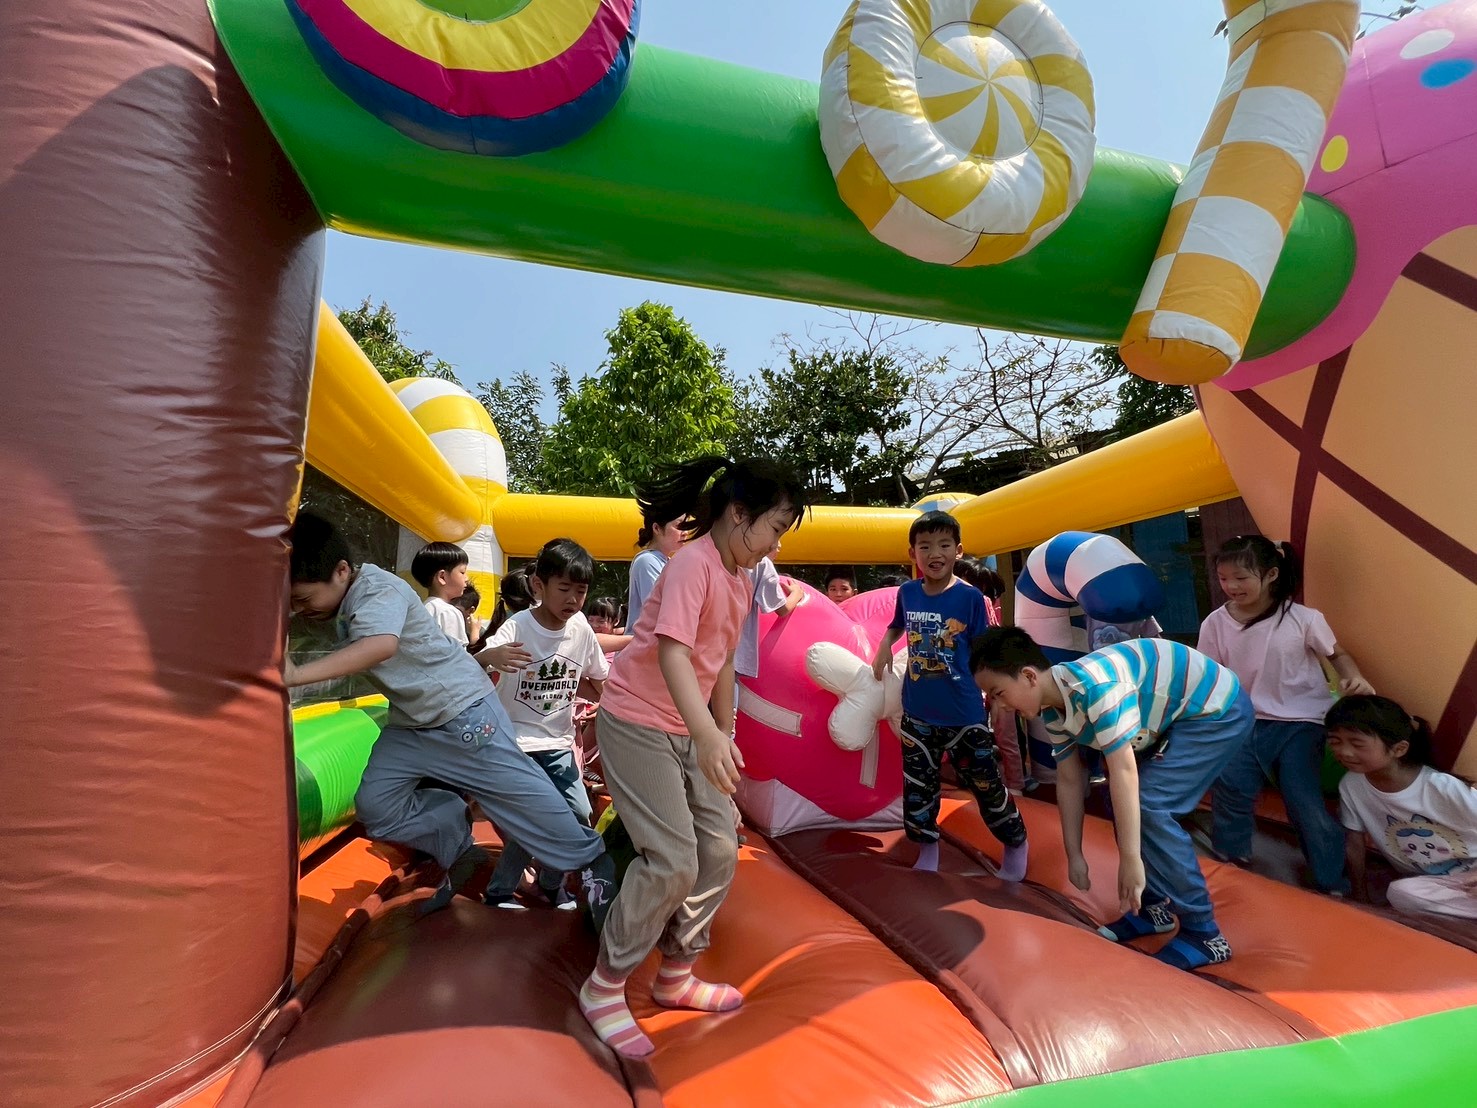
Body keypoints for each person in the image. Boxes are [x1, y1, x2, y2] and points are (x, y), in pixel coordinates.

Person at [579, 456, 807, 1058]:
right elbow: (674, 654)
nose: (776, 546)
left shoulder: (740, 577)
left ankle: (676, 972)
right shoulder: (691, 566)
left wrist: (723, 732)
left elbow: (723, 659)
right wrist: (706, 734)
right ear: (739, 514)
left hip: (691, 725)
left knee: (721, 847)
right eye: (775, 529)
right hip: (636, 720)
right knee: (673, 859)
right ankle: (604, 985)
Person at [285, 513, 616, 919]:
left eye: (304, 600)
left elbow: (380, 645)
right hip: (413, 724)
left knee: (522, 797)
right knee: (376, 805)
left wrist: (295, 676)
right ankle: (457, 841)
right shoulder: (341, 603)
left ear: (341, 571)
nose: (300, 610)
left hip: (463, 713)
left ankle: (592, 861)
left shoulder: (377, 588)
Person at [971, 626, 1253, 971]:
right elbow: (1070, 780)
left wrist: (1131, 861)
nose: (999, 706)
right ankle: (1152, 908)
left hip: (1215, 710)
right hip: (1167, 717)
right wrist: (1074, 854)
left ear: (1029, 676)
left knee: (1149, 804)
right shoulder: (1055, 708)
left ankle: (1204, 932)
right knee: (1120, 802)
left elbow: (1123, 772)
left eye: (998, 693)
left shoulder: (1098, 689)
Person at [1201, 536, 1374, 894]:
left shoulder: (1303, 618)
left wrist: (1353, 677)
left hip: (1300, 722)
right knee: (1232, 788)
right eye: (1223, 578)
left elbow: (1337, 655)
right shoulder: (1215, 623)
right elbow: (1207, 675)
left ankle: (1331, 881)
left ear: (1271, 574)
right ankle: (1231, 862)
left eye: (1241, 578)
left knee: (1303, 798)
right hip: (1243, 719)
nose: (1231, 586)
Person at [870, 511, 1028, 878]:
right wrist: (883, 647)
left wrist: (996, 696)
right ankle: (927, 850)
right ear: (912, 553)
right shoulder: (908, 592)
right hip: (918, 713)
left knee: (987, 785)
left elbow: (984, 651)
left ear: (958, 551)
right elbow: (897, 625)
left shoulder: (970, 598)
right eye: (925, 546)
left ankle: (1016, 844)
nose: (934, 553)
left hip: (964, 714)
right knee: (919, 789)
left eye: (944, 545)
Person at [481, 539, 610, 911]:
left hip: (557, 743)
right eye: (564, 588)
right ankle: (500, 892)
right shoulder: (519, 625)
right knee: (533, 818)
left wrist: (618, 710)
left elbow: (599, 677)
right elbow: (482, 658)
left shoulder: (580, 629)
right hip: (517, 743)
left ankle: (550, 882)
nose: (573, 599)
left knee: (579, 815)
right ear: (539, 586)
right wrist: (492, 656)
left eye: (580, 591)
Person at [1329, 695, 1477, 920]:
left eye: (1357, 744)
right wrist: (1360, 897)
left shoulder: (1440, 787)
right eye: (1335, 741)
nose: (1344, 752)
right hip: (1440, 884)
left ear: (1399, 749)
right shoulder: (1352, 785)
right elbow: (1354, 844)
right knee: (1400, 893)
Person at [625, 508, 687, 634]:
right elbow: (660, 610)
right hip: (645, 643)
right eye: (679, 526)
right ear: (657, 528)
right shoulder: (647, 561)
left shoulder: (667, 562)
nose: (685, 533)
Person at [410, 541, 471, 646]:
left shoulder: (423, 608)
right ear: (442, 577)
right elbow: (455, 652)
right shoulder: (448, 612)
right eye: (462, 572)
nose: (466, 578)